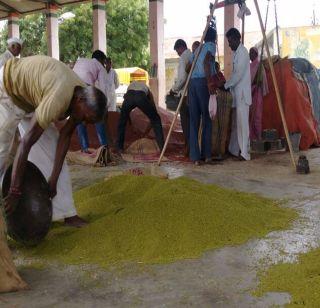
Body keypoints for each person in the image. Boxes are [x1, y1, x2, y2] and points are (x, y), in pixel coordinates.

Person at [0, 55, 107, 222]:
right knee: (1, 153)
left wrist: (53, 179)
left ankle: (67, 213)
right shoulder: (60, 96)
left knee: (53, 148)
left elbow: (64, 137)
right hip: (7, 90)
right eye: (86, 118)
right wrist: (15, 190)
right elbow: (26, 143)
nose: (84, 124)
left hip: (33, 101)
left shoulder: (80, 95)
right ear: (80, 100)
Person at [188, 26, 217, 165]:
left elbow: (189, 67)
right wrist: (209, 83)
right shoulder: (211, 46)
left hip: (192, 83)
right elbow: (207, 62)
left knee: (194, 120)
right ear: (214, 38)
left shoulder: (198, 48)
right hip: (202, 83)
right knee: (207, 118)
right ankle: (207, 155)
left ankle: (195, 157)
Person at [223, 28, 252, 161]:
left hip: (243, 95)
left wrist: (226, 85)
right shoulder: (236, 53)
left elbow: (238, 75)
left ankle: (245, 154)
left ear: (236, 39)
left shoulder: (243, 53)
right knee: (237, 125)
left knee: (243, 125)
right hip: (237, 95)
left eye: (230, 41)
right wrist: (227, 84)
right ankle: (236, 150)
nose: (229, 45)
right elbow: (234, 75)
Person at [73, 50, 109, 153]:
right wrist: (104, 108)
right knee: (98, 117)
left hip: (73, 89)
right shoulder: (100, 66)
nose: (104, 64)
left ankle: (85, 150)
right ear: (101, 60)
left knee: (80, 119)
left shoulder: (81, 61)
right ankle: (104, 149)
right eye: (104, 62)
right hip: (86, 88)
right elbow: (103, 89)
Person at [117, 81, 164, 152]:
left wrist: (128, 122)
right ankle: (161, 147)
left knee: (122, 121)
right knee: (156, 119)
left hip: (129, 96)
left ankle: (119, 148)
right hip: (140, 97)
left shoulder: (130, 86)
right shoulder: (147, 90)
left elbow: (126, 104)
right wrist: (147, 131)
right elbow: (153, 113)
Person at [170, 39, 192, 154]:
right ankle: (191, 146)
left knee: (185, 123)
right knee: (192, 123)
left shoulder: (184, 58)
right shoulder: (192, 55)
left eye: (178, 51)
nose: (178, 54)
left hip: (184, 95)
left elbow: (182, 78)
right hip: (192, 94)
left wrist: (173, 89)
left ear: (181, 47)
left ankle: (188, 147)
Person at [249, 47, 269, 140]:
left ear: (256, 54)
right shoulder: (249, 66)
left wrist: (255, 85)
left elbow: (262, 80)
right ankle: (252, 138)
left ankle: (259, 137)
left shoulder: (259, 65)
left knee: (257, 116)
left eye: (252, 53)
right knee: (250, 116)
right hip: (249, 93)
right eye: (249, 53)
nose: (250, 55)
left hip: (257, 93)